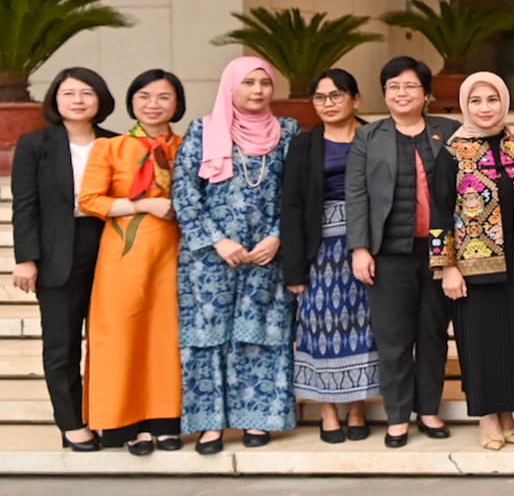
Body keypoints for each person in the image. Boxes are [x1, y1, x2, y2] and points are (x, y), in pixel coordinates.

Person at [172, 56, 300, 453]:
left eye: (264, 82)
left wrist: (279, 236)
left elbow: (297, 193)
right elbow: (184, 193)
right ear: (231, 87)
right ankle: (210, 426)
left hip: (266, 254)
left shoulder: (289, 132)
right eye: (248, 83)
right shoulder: (202, 130)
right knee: (206, 338)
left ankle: (257, 420)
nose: (258, 90)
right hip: (208, 259)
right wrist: (216, 240)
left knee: (260, 334)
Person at [345, 56, 459, 448]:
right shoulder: (369, 136)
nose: (402, 93)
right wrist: (360, 248)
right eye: (394, 86)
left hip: (439, 252)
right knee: (393, 337)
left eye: (410, 86)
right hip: (389, 251)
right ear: (384, 93)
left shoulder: (450, 131)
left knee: (433, 334)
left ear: (426, 93)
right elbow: (356, 195)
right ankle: (397, 415)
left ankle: (428, 409)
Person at [76, 69, 186, 454]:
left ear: (177, 104)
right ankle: (130, 425)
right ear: (131, 102)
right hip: (124, 254)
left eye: (163, 97)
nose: (152, 105)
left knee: (166, 338)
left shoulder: (189, 145)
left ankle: (167, 420)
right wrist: (144, 204)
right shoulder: (112, 147)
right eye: (143, 96)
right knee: (124, 337)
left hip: (176, 254)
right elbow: (90, 200)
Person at [432, 72, 514, 450]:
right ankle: (486, 418)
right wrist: (446, 265)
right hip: (472, 269)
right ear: (465, 105)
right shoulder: (450, 153)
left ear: (505, 103)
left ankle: (508, 412)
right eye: (476, 100)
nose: (485, 108)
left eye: (492, 99)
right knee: (479, 346)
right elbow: (438, 213)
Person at [13, 67, 117, 450]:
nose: (77, 100)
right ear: (55, 99)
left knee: (110, 342)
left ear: (100, 99)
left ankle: (110, 418)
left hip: (109, 247)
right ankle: (72, 424)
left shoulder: (116, 142)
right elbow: (25, 206)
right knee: (63, 343)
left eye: (87, 92)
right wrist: (26, 258)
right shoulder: (35, 144)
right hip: (59, 252)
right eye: (68, 92)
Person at [280, 69, 377, 443]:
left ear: (355, 99)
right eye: (320, 98)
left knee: (364, 325)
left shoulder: (374, 136)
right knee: (319, 325)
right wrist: (294, 269)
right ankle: (326, 409)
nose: (328, 104)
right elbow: (291, 205)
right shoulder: (303, 145)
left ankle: (357, 407)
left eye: (336, 96)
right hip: (318, 245)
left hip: (365, 240)